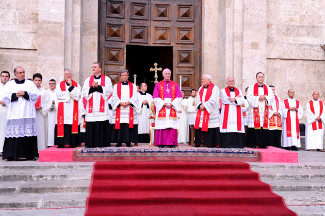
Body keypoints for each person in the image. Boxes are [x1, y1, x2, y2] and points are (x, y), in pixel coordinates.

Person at [2, 67, 39, 161]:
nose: (22, 74)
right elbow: (4, 97)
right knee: (14, 134)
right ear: (15, 74)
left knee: (27, 133)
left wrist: (25, 93)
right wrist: (14, 95)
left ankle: (29, 155)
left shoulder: (30, 83)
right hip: (15, 112)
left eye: (23, 72)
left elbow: (36, 95)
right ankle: (11, 155)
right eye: (20, 72)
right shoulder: (10, 84)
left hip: (27, 112)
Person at [82, 62, 112, 147]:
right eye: (92, 67)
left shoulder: (106, 79)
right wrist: (92, 88)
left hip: (101, 107)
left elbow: (109, 90)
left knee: (101, 124)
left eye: (95, 67)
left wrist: (98, 87)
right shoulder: (88, 80)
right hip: (91, 107)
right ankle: (91, 144)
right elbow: (84, 92)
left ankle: (102, 143)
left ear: (100, 69)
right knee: (91, 124)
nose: (93, 68)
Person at [153, 68, 182, 148]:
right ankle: (161, 143)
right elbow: (155, 97)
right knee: (162, 125)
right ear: (163, 75)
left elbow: (179, 97)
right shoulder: (158, 85)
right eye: (166, 73)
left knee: (171, 125)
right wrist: (164, 103)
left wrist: (172, 104)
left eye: (169, 73)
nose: (168, 75)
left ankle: (171, 143)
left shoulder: (175, 84)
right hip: (162, 106)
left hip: (172, 106)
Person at [111, 69, 138, 147]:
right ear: (120, 77)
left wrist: (129, 102)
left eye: (126, 75)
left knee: (128, 126)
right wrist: (120, 103)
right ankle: (119, 142)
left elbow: (135, 96)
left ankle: (128, 142)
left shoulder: (133, 86)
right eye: (122, 75)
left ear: (128, 76)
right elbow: (114, 96)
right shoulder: (116, 86)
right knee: (120, 125)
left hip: (129, 109)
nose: (124, 77)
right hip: (120, 109)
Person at [246, 72, 274, 148]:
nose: (261, 78)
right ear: (256, 78)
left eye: (262, 77)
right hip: (255, 110)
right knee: (253, 127)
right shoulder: (251, 88)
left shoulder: (268, 88)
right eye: (260, 77)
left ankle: (263, 144)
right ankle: (253, 144)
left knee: (263, 127)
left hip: (264, 110)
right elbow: (248, 97)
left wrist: (265, 97)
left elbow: (272, 98)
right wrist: (258, 98)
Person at [55, 70, 82, 148]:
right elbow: (59, 95)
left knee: (72, 124)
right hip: (63, 108)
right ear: (64, 76)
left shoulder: (76, 85)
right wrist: (70, 95)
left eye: (69, 74)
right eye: (66, 74)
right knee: (62, 124)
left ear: (71, 75)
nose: (68, 76)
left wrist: (70, 87)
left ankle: (73, 143)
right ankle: (61, 143)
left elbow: (78, 96)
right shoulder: (59, 85)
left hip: (73, 108)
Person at [194, 74, 221, 148]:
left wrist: (205, 105)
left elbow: (213, 99)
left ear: (209, 80)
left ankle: (210, 143)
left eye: (204, 79)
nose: (202, 81)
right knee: (200, 126)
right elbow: (197, 98)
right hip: (202, 111)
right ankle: (198, 142)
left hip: (210, 112)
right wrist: (199, 105)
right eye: (202, 79)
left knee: (211, 127)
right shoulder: (200, 88)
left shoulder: (215, 88)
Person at [219, 77, 245, 148]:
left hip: (237, 112)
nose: (231, 82)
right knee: (227, 127)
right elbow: (225, 100)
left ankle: (237, 144)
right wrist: (237, 99)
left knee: (236, 127)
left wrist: (233, 99)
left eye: (233, 81)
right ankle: (226, 144)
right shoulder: (223, 90)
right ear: (227, 82)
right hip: (227, 112)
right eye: (230, 81)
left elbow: (242, 101)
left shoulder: (239, 90)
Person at [33, 73, 51, 152]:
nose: (37, 82)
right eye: (36, 80)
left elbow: (49, 103)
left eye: (39, 80)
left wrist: (42, 107)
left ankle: (41, 150)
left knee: (41, 132)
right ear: (33, 80)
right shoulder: (30, 91)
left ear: (41, 81)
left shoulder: (45, 92)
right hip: (31, 114)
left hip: (40, 114)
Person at [0, 71, 10, 153]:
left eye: (6, 76)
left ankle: (6, 149)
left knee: (7, 129)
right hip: (0, 109)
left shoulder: (11, 86)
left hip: (8, 111)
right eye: (3, 76)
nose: (4, 77)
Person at [47, 79, 57, 147]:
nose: (51, 85)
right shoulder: (46, 92)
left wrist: (54, 104)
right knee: (49, 127)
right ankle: (49, 143)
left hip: (56, 113)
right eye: (50, 83)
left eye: (53, 83)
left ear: (55, 84)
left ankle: (55, 142)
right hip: (48, 113)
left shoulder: (58, 93)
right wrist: (50, 105)